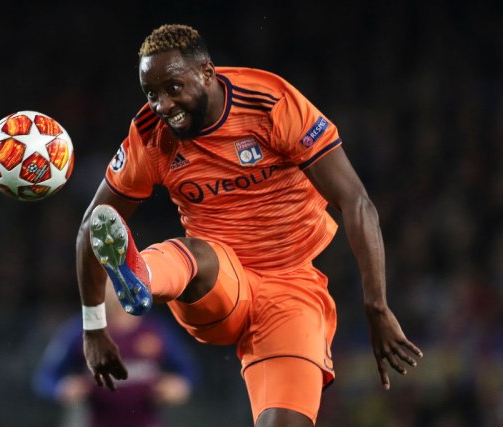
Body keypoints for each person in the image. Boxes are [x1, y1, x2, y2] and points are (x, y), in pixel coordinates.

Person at [75, 24, 423, 427]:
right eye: (150, 94)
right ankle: (141, 275)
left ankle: (143, 274)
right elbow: (92, 227)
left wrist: (376, 306)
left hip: (290, 286)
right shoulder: (150, 135)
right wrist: (94, 327)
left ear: (207, 72)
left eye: (173, 87)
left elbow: (356, 201)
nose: (162, 105)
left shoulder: (270, 103)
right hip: (219, 283)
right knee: (197, 253)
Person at [33, 281, 196, 427]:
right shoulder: (80, 331)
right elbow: (45, 377)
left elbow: (188, 371)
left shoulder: (156, 330)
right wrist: (62, 388)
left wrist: (179, 386)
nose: (117, 288)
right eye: (110, 281)